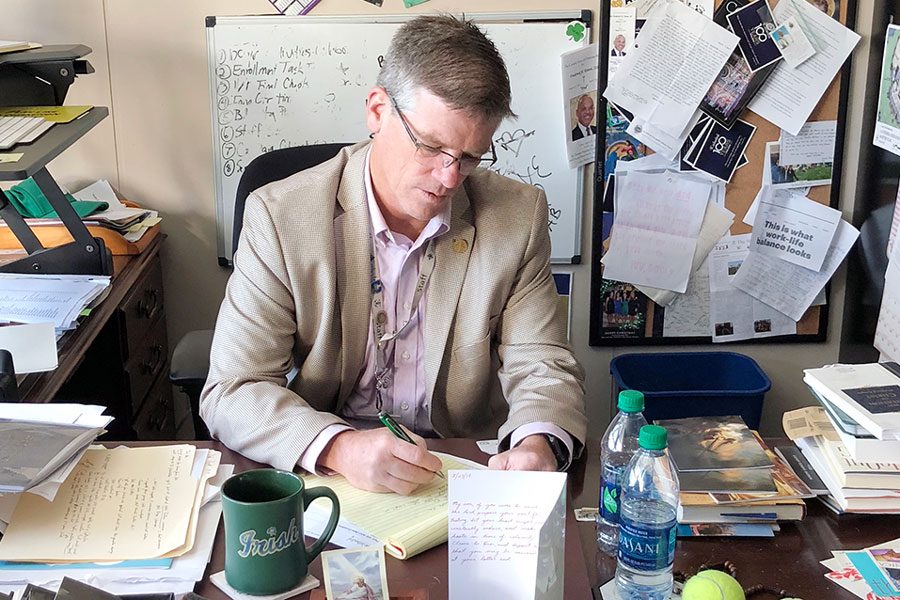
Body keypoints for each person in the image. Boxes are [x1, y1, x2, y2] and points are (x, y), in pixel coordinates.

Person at [201, 15, 587, 496]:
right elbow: (233, 389)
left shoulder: (516, 216)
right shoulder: (281, 218)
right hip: (333, 468)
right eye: (430, 147)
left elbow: (542, 362)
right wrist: (339, 446)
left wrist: (538, 442)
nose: (448, 178)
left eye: (468, 158)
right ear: (378, 110)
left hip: (461, 462)